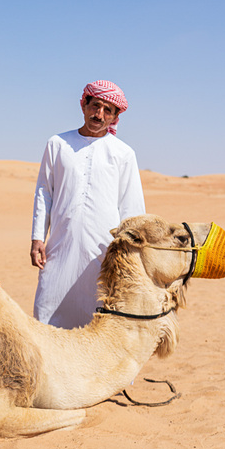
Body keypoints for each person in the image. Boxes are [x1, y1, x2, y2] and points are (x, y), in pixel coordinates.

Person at [30, 80, 146, 328]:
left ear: (115, 117)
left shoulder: (123, 153)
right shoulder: (57, 144)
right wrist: (37, 238)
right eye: (95, 106)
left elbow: (131, 207)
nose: (99, 114)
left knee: (98, 319)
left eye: (108, 110)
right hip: (60, 246)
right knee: (47, 314)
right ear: (84, 105)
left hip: (103, 250)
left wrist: (132, 254)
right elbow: (44, 192)